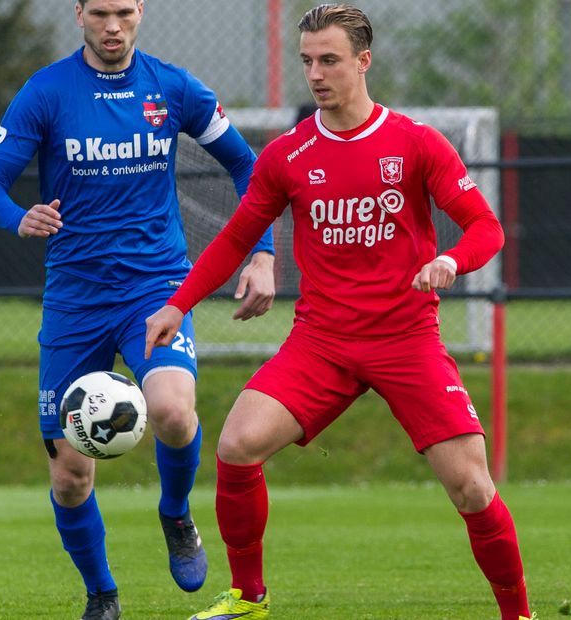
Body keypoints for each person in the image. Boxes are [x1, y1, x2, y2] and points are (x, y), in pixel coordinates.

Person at [145, 5, 531, 619]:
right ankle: (248, 598)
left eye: (329, 60)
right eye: (307, 61)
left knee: (472, 486)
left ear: (362, 61)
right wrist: (178, 304)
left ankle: (518, 614)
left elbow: (486, 227)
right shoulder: (286, 156)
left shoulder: (414, 143)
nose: (316, 74)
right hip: (322, 341)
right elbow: (236, 237)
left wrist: (452, 263)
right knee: (238, 444)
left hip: (407, 339)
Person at [0, 1, 276, 618]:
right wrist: (17, 216)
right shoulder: (47, 92)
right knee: (70, 476)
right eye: (101, 12)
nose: (114, 26)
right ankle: (102, 595)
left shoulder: (173, 87)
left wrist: (263, 252)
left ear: (142, 12)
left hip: (155, 287)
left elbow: (250, 166)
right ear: (78, 14)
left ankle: (175, 511)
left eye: (125, 12)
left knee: (170, 410)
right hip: (74, 300)